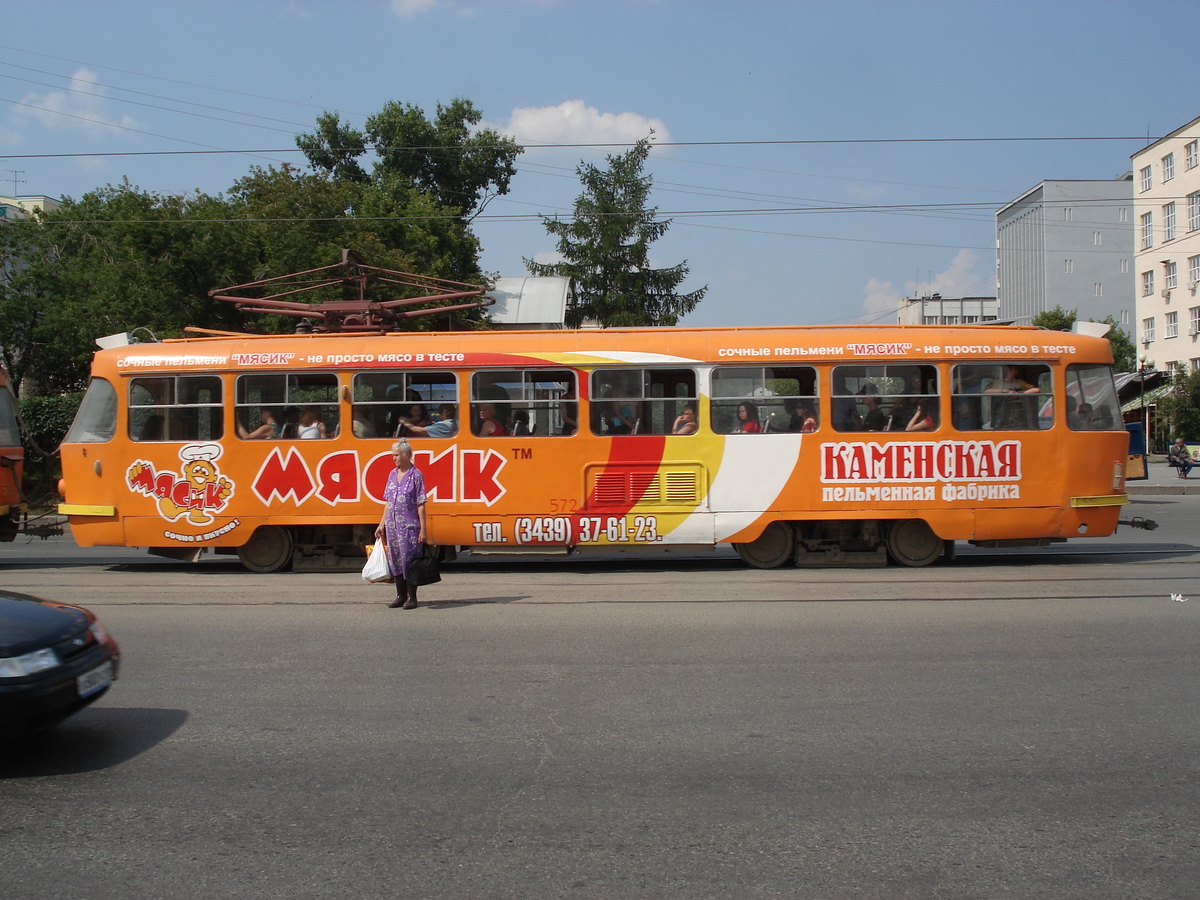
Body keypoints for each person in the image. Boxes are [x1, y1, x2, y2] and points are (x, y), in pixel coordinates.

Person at [374, 440, 428, 610]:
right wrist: (381, 524)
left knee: (409, 561)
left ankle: (412, 597)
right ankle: (400, 595)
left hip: (409, 527)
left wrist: (423, 529)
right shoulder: (392, 474)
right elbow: (388, 502)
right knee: (396, 559)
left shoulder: (416, 475)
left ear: (405, 455)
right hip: (392, 526)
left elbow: (421, 503)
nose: (393, 458)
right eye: (393, 455)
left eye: (396, 455)